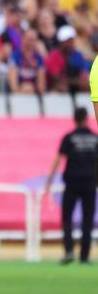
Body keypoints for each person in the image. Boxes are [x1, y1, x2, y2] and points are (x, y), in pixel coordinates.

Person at [44, 108, 98, 264]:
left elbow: (57, 160)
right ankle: (84, 256)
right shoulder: (95, 138)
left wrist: (49, 182)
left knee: (67, 217)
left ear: (74, 119)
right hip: (89, 183)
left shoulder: (69, 137)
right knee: (87, 220)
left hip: (72, 182)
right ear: (86, 119)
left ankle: (69, 251)